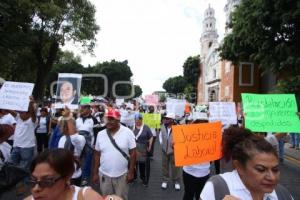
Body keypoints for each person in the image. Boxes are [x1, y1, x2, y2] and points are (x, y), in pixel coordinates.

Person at [200, 126, 294, 200]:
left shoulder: (282, 194)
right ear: (239, 167)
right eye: (261, 169)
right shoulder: (217, 188)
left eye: (275, 169)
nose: (272, 177)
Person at [24, 148, 107, 200]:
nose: (36, 189)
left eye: (46, 182)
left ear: (67, 177)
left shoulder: (87, 197)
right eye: (32, 181)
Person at [92, 109, 137, 200]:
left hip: (122, 175)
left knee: (121, 198)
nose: (109, 122)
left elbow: (133, 153)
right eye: (107, 119)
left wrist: (131, 172)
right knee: (107, 198)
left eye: (112, 119)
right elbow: (97, 154)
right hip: (104, 175)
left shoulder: (128, 132)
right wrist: (95, 172)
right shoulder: (100, 134)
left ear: (118, 120)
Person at [182, 115, 211, 200]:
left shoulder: (210, 136)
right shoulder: (188, 135)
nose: (202, 125)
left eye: (204, 123)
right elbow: (181, 150)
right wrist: (175, 146)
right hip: (189, 172)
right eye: (199, 122)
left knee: (201, 196)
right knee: (188, 195)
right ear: (195, 123)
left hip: (204, 172)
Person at [58, 107, 86, 186]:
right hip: (62, 174)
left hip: (74, 175)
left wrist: (68, 117)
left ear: (66, 126)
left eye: (61, 126)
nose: (59, 128)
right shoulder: (62, 139)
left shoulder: (80, 138)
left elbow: (74, 138)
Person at [159, 113, 181, 191]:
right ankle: (165, 180)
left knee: (175, 167)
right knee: (164, 166)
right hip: (164, 150)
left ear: (172, 120)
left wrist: (177, 143)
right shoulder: (162, 126)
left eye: (167, 119)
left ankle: (176, 182)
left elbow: (181, 138)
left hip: (174, 151)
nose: (165, 120)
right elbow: (160, 136)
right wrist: (162, 145)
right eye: (165, 118)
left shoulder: (178, 127)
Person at [133, 113, 153, 186]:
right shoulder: (132, 127)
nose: (137, 122)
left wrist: (150, 145)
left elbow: (151, 137)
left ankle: (142, 177)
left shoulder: (146, 127)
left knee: (142, 164)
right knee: (133, 163)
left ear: (141, 120)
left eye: (138, 120)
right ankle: (134, 176)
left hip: (143, 148)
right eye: (136, 120)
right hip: (134, 147)